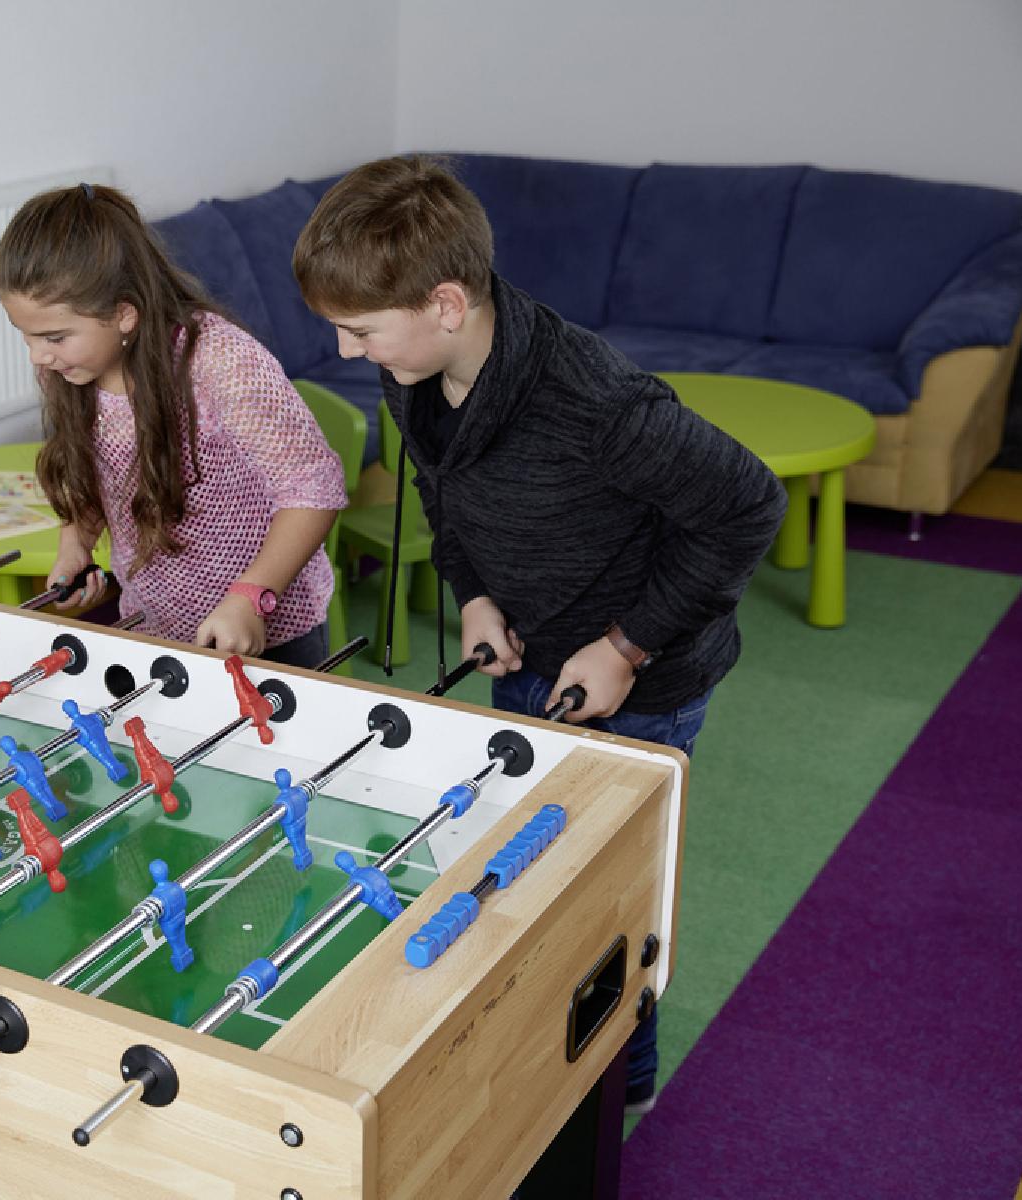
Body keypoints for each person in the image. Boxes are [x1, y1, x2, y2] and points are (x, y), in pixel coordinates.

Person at [293, 157, 787, 1112]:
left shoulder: (597, 401)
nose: (347, 352)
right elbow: (441, 489)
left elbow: (747, 507)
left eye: (359, 329)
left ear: (445, 303)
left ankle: (621, 1097)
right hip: (525, 654)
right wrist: (474, 593)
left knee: (603, 910)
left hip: (640, 680)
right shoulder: (414, 368)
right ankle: (533, 1088)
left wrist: (626, 646)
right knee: (514, 881)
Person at [0, 182, 346, 668]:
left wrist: (251, 596)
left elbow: (314, 488)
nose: (38, 356)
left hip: (270, 629)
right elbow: (95, 468)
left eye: (54, 337)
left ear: (123, 314)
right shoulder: (70, 366)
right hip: (155, 625)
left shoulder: (220, 361)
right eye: (26, 335)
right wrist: (76, 543)